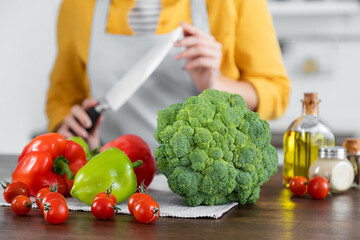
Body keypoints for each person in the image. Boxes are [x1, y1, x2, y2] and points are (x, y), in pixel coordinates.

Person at [46, 0, 291, 153]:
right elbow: (62, 97)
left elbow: (276, 92)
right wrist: (68, 125)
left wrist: (215, 84)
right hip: (110, 178)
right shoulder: (77, 5)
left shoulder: (236, 3)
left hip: (202, 180)